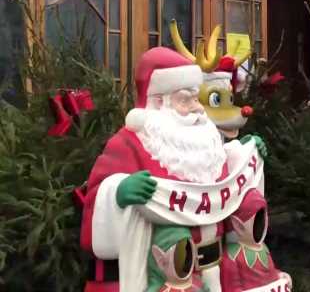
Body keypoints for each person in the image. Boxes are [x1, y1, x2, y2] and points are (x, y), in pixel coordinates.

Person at [79, 47, 289, 292]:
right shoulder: (128, 144)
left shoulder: (205, 142)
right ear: (158, 102)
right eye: (185, 100)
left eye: (195, 98)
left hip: (219, 273)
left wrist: (240, 155)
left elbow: (224, 189)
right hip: (166, 280)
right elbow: (96, 202)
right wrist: (117, 193)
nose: (198, 108)